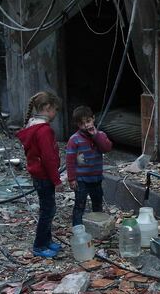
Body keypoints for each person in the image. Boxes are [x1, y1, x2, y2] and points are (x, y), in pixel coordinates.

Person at [16, 91, 63, 258]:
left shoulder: (31, 126)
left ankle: (47, 241)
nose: (56, 114)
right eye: (55, 110)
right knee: (47, 211)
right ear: (47, 108)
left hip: (38, 175)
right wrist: (56, 181)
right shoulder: (44, 131)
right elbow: (48, 158)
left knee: (48, 209)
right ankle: (40, 245)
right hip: (44, 176)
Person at [66, 105, 113, 226]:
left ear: (93, 119)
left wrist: (96, 135)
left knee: (97, 204)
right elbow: (70, 161)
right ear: (78, 125)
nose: (86, 125)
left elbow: (106, 148)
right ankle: (77, 229)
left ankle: (97, 227)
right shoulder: (74, 139)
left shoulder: (100, 135)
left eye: (88, 121)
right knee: (79, 205)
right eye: (82, 123)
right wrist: (71, 178)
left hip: (96, 178)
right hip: (81, 179)